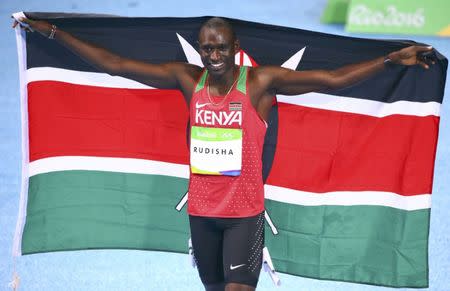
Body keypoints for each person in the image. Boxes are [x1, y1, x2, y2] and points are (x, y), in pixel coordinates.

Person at [13, 16, 434, 291]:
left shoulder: (260, 83)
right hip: (202, 216)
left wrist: (390, 60)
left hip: (244, 219)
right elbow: (115, 64)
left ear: (235, 47)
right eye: (206, 49)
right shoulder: (186, 78)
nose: (213, 57)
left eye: (220, 48)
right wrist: (54, 33)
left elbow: (331, 79)